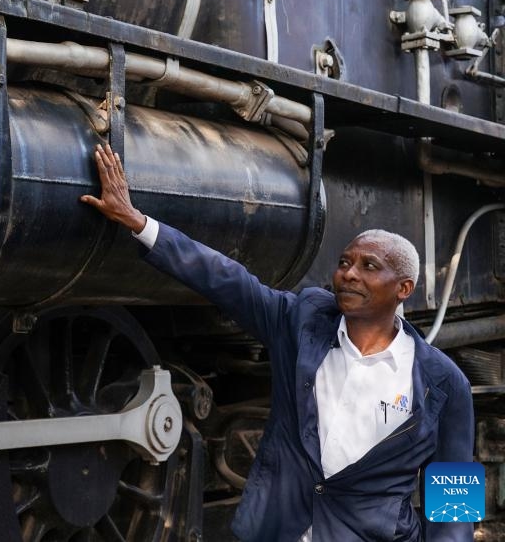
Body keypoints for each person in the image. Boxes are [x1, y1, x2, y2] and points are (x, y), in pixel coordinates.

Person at [80, 143, 475, 542]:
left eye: (369, 266)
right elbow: (227, 279)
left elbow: (454, 504)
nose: (349, 274)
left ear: (404, 288)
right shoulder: (300, 322)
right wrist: (138, 222)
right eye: (344, 263)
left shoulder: (445, 383)